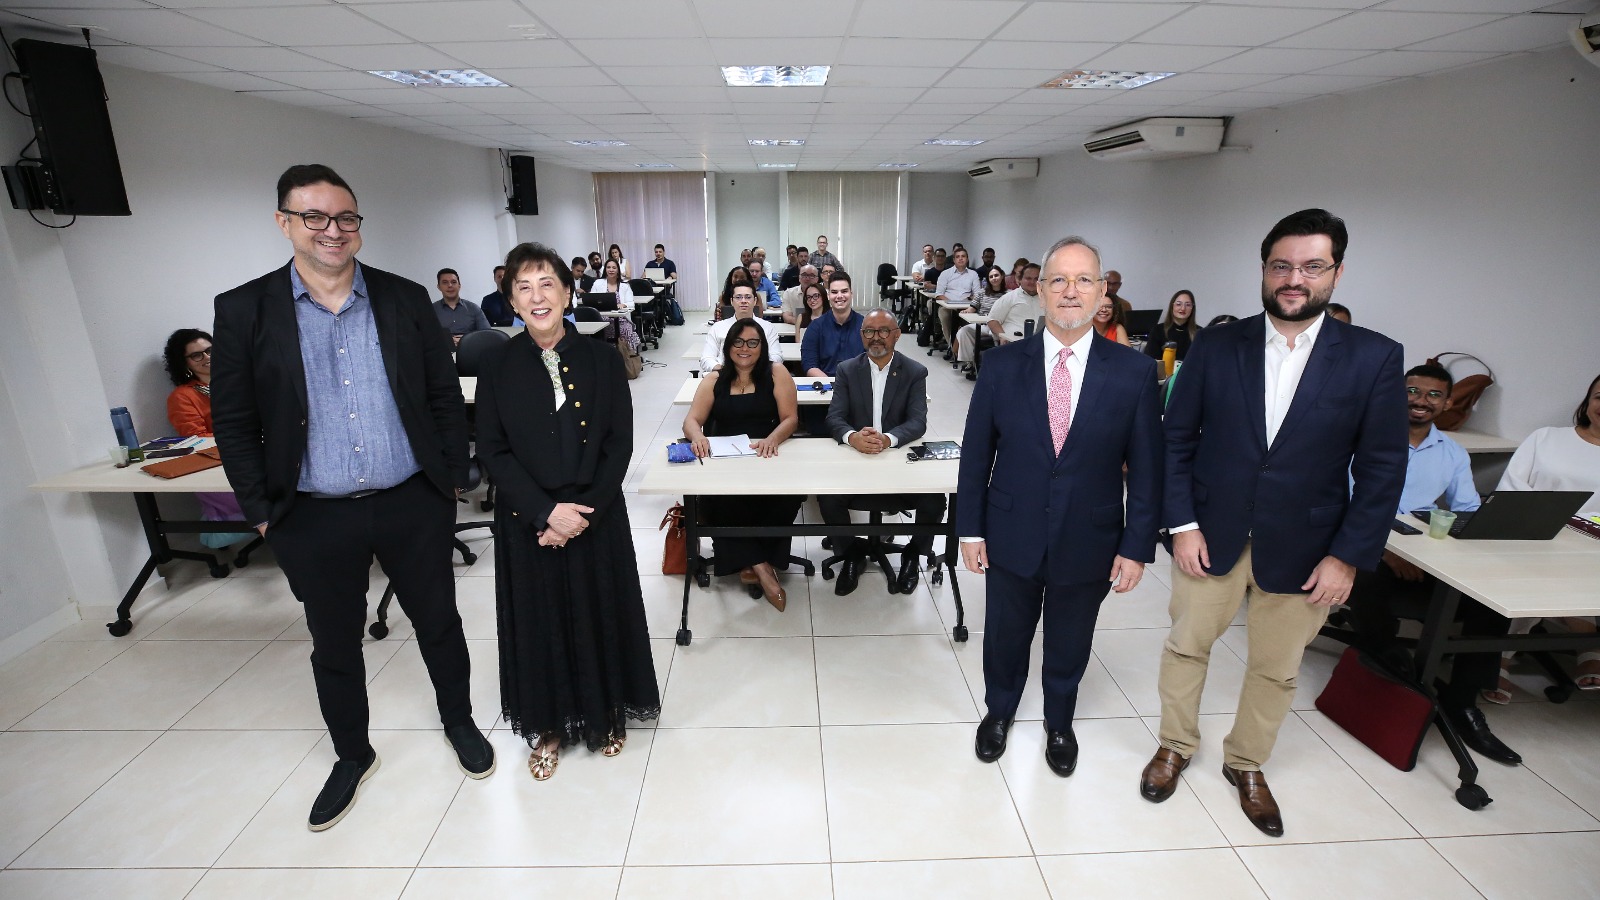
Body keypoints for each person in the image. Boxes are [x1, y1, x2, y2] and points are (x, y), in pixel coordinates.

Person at [212, 164, 491, 832]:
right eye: (314, 217)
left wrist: (451, 478)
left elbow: (442, 394)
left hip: (411, 499)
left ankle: (459, 721)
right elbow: (234, 422)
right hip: (311, 511)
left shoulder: (403, 298)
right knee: (333, 642)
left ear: (358, 225)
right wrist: (261, 512)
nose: (332, 230)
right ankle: (352, 753)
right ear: (285, 223)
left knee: (439, 622)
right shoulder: (245, 309)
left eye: (345, 217)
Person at [1142, 208, 1406, 839]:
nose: (1295, 279)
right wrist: (1181, 523)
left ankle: (1247, 761)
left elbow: (1382, 468)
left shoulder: (1373, 357)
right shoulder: (1217, 346)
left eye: (1312, 267)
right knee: (1186, 646)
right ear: (1264, 269)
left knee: (1277, 667)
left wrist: (1348, 557)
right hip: (1209, 534)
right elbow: (1175, 441)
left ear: (1336, 273)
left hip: (1310, 548)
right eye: (1282, 265)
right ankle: (1175, 744)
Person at [958, 236, 1163, 778]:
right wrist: (970, 531)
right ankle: (999, 711)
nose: (1071, 291)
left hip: (1090, 535)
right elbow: (976, 455)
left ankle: (1059, 722)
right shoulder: (1001, 365)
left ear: (1102, 292)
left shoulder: (1134, 372)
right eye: (1059, 280)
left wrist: (1137, 547)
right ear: (1042, 290)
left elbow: (1147, 469)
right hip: (1011, 529)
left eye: (1084, 280)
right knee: (1005, 633)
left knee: (1071, 639)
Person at [475, 242, 659, 781]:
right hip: (527, 521)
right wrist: (544, 513)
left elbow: (619, 445)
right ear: (512, 301)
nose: (537, 297)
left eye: (547, 284)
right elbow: (493, 450)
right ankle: (549, 725)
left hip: (595, 514)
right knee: (541, 622)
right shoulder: (497, 365)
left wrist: (583, 514)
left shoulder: (602, 358)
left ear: (567, 292)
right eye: (524, 288)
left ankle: (605, 713)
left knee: (601, 612)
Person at [1345, 364, 1518, 764]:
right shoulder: (1363, 441)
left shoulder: (1452, 452)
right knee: (1367, 577)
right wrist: (1385, 550)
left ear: (1448, 403)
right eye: (1413, 391)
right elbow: (1345, 504)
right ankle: (1391, 679)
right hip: (1368, 545)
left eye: (1434, 394)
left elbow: (1466, 511)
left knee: (1489, 601)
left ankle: (1463, 703)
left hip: (1422, 550)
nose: (1421, 401)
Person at [682, 318, 803, 610]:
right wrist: (698, 436)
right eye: (737, 342)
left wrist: (773, 438)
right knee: (719, 501)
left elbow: (790, 419)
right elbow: (691, 421)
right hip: (726, 461)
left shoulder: (776, 373)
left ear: (762, 346)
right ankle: (762, 567)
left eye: (752, 342)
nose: (744, 348)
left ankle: (751, 561)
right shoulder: (714, 379)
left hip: (766, 455)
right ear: (727, 347)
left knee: (787, 496)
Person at [822, 310, 943, 596]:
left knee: (935, 499)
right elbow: (834, 417)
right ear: (861, 335)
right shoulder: (847, 369)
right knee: (826, 496)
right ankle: (851, 553)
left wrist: (888, 439)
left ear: (896, 335)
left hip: (897, 462)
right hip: (857, 460)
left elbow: (918, 422)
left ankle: (913, 553)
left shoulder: (914, 371)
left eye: (883, 331)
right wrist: (852, 437)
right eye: (869, 331)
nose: (876, 337)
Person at [1496, 372, 1600, 690]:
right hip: (1533, 536)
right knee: (1536, 568)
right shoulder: (1547, 437)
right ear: (1588, 401)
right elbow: (1511, 488)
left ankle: (1587, 644)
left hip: (1591, 549)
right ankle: (1500, 656)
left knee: (1580, 567)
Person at [163, 328, 248, 549]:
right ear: (184, 363)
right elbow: (197, 438)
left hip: (256, 450)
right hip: (221, 463)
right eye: (196, 355)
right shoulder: (183, 396)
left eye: (210, 350)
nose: (207, 357)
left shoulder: (238, 382)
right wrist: (244, 436)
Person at [701, 279, 778, 372]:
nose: (743, 301)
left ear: (755, 301)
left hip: (758, 374)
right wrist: (724, 371)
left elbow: (776, 357)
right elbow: (706, 359)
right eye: (738, 297)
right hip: (725, 374)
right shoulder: (717, 328)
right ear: (732, 301)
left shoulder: (768, 327)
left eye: (748, 297)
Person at [801, 271, 865, 378]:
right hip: (825, 383)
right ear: (828, 295)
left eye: (844, 291)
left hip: (857, 383)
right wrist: (831, 384)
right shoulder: (815, 327)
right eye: (834, 292)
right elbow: (809, 364)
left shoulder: (865, 326)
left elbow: (874, 362)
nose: (839, 296)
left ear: (851, 294)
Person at [954, 265, 1009, 376]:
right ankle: (971, 362)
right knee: (964, 331)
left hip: (1000, 326)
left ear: (1002, 276)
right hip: (983, 325)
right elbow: (972, 308)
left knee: (998, 337)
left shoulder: (1009, 294)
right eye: (991, 276)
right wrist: (967, 311)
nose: (994, 278)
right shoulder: (982, 292)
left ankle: (996, 367)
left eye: (996, 275)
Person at [935, 247, 982, 356]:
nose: (960, 259)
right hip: (947, 306)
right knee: (944, 315)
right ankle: (952, 348)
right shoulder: (945, 274)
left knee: (972, 323)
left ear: (967, 259)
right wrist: (950, 303)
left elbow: (977, 294)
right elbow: (939, 294)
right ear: (954, 260)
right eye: (957, 257)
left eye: (963, 256)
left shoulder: (973, 274)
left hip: (967, 306)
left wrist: (971, 302)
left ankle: (967, 351)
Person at [986, 263, 1042, 347]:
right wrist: (1002, 336)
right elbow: (992, 320)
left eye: (1036, 279)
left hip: (1040, 344)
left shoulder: (1047, 299)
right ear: (1020, 279)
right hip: (1013, 344)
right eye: (1028, 278)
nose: (1032, 282)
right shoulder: (1009, 297)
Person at [432, 267, 490, 346]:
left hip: (470, 349)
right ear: (439, 286)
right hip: (442, 351)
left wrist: (466, 339)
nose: (450, 285)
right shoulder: (431, 310)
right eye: (445, 282)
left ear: (459, 285)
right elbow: (426, 336)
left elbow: (487, 334)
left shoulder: (474, 308)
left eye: (453, 282)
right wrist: (448, 340)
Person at [1144, 290, 1199, 363]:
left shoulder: (1199, 333)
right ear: (1172, 306)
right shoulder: (1158, 330)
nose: (1183, 308)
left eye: (1188, 305)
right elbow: (1150, 360)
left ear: (1192, 308)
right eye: (1178, 304)